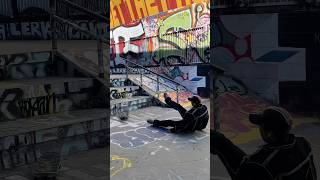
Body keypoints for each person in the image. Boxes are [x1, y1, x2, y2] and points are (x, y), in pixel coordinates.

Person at [211, 106, 317, 180]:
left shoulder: (264, 161)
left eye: (261, 126)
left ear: (270, 134)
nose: (259, 128)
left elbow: (243, 173)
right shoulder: (303, 143)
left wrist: (221, 144)